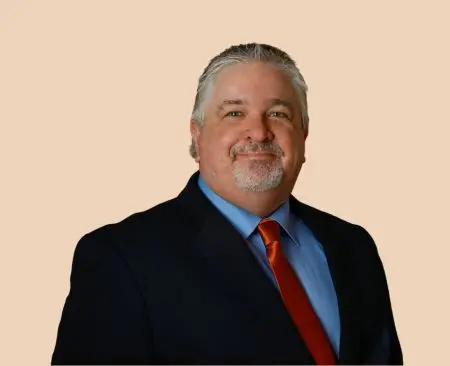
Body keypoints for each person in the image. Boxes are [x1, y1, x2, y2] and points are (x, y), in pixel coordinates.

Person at [51, 43, 403, 365]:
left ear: (304, 133)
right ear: (197, 134)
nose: (260, 132)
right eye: (235, 113)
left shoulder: (354, 247)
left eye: (278, 114)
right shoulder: (122, 259)